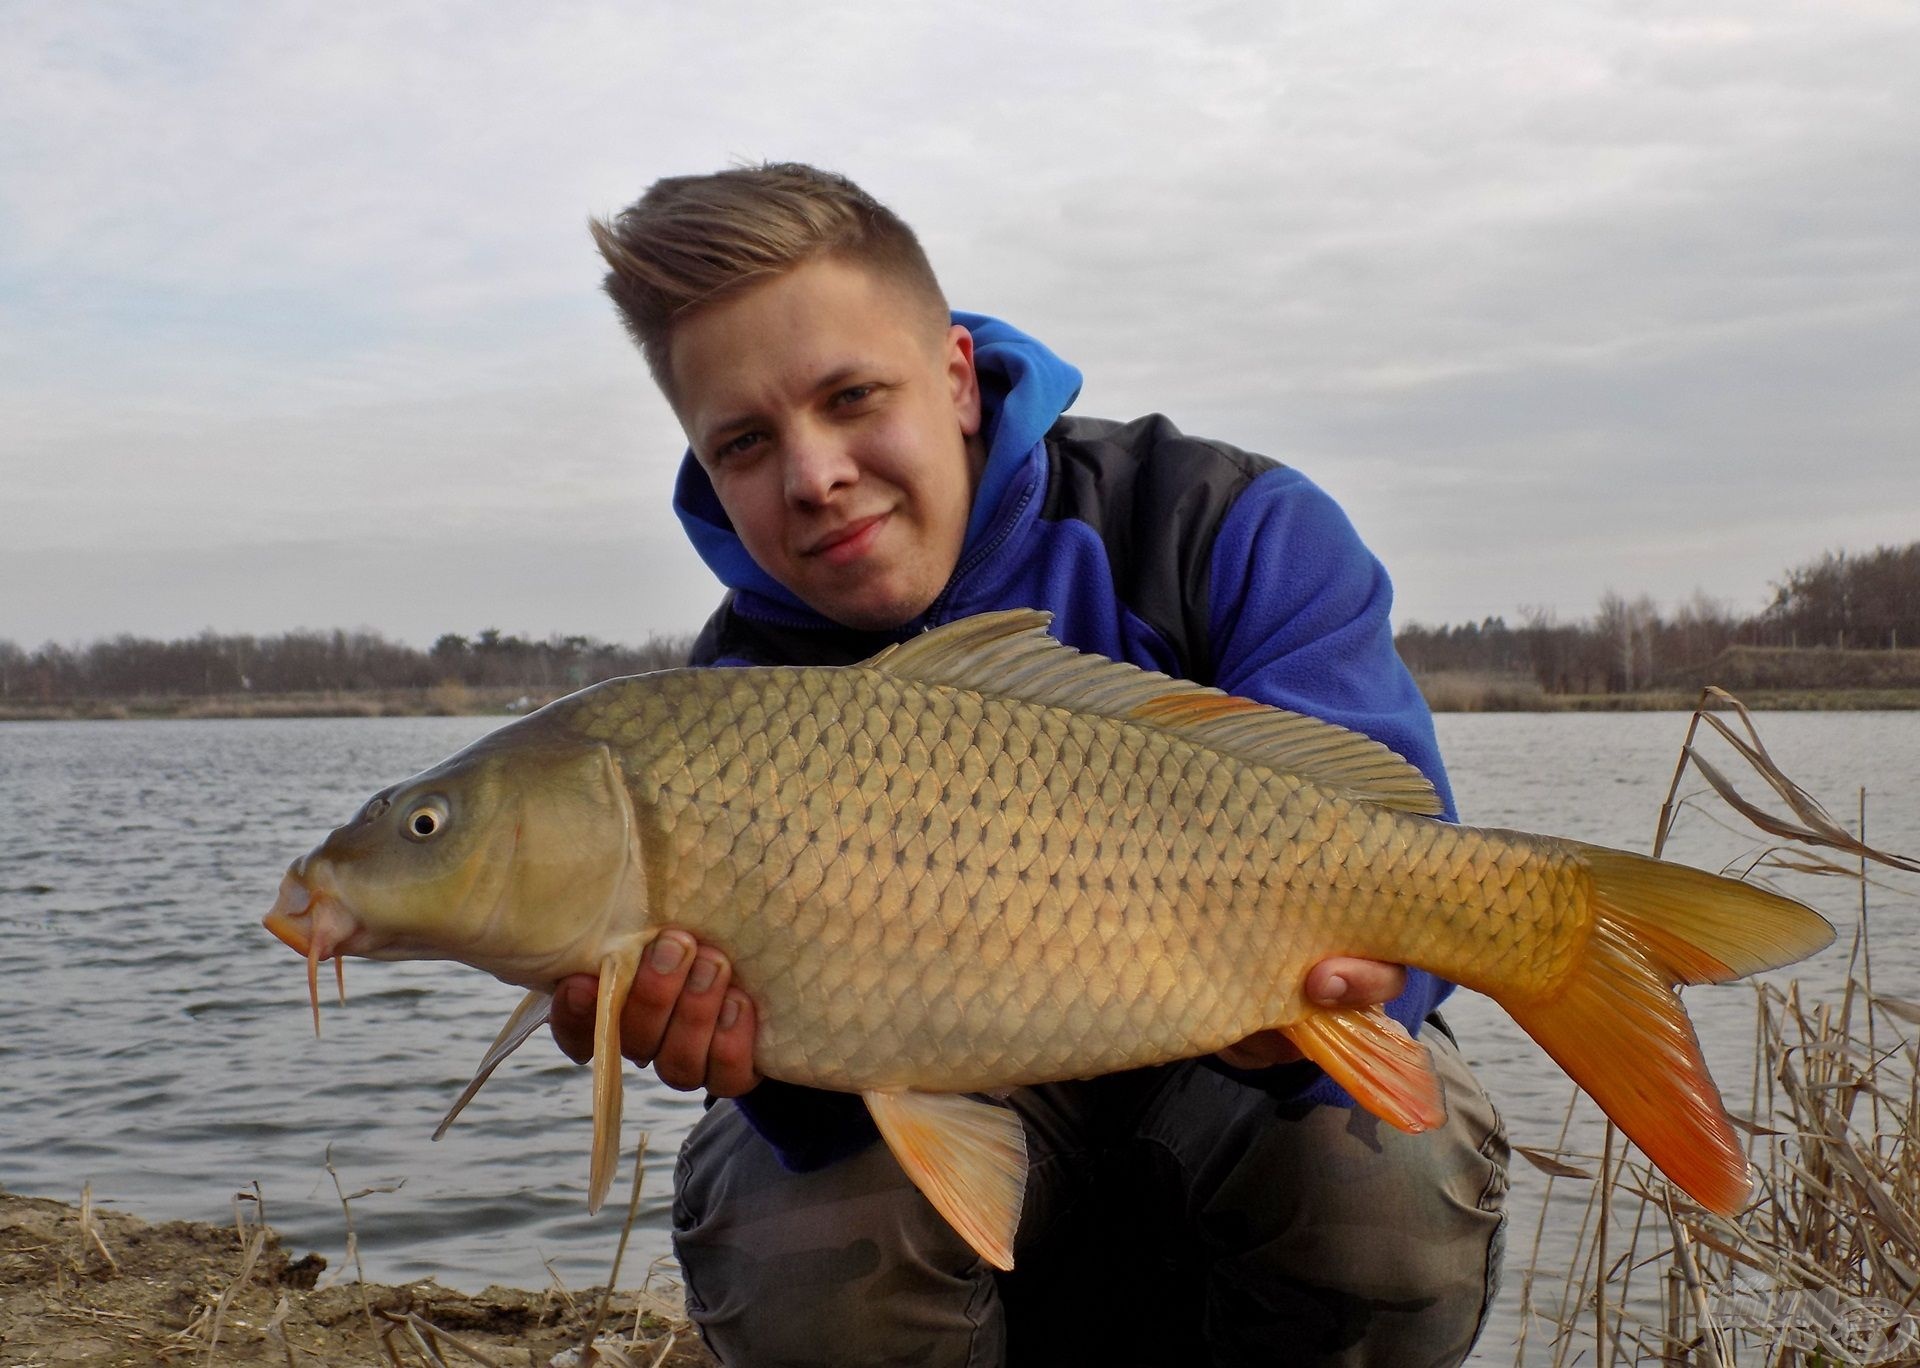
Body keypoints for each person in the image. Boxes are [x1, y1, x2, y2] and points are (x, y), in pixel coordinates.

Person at [548, 162, 1508, 1367]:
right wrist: (763, 1069)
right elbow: (815, 1102)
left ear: (957, 376)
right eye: (744, 442)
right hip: (961, 1133)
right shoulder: (729, 707)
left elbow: (1394, 860)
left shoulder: (1224, 524)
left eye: (851, 396)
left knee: (1382, 1177)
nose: (813, 474)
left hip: (1241, 1098)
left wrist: (1356, 995)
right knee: (799, 1232)